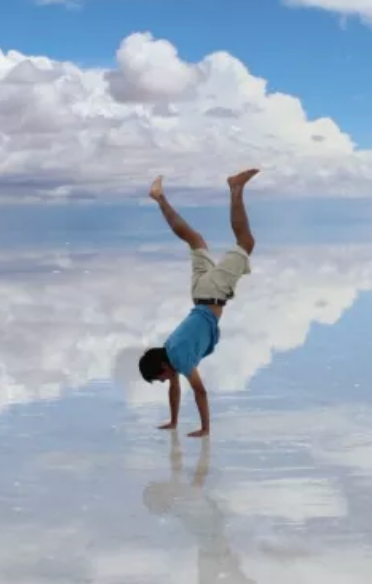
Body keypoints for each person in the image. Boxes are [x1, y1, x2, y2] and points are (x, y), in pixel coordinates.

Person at [137, 169, 260, 438]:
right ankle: (159, 197)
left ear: (163, 368)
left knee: (245, 242)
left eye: (159, 378)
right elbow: (175, 387)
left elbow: (199, 391)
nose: (163, 382)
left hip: (213, 292)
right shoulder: (171, 349)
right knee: (195, 240)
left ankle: (235, 187)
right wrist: (173, 421)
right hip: (199, 293)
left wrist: (205, 428)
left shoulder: (179, 358)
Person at [142, 433, 256, 583]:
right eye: (159, 487)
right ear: (164, 496)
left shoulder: (181, 500)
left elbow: (177, 466)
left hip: (212, 551)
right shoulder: (188, 499)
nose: (162, 482)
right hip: (215, 551)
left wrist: (176, 444)